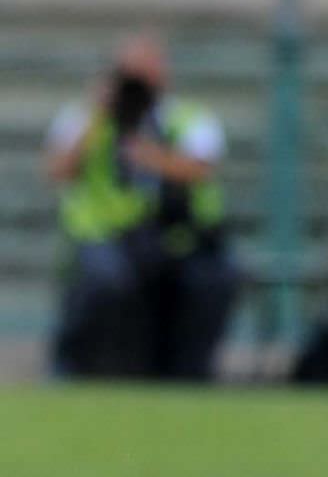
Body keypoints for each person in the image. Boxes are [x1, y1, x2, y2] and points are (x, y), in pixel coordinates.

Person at [44, 34, 238, 380]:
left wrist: (148, 153)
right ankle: (77, 373)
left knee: (211, 280)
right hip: (104, 233)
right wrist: (99, 116)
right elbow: (59, 170)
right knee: (104, 282)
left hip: (175, 235)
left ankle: (187, 377)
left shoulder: (184, 117)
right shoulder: (87, 117)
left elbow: (201, 166)